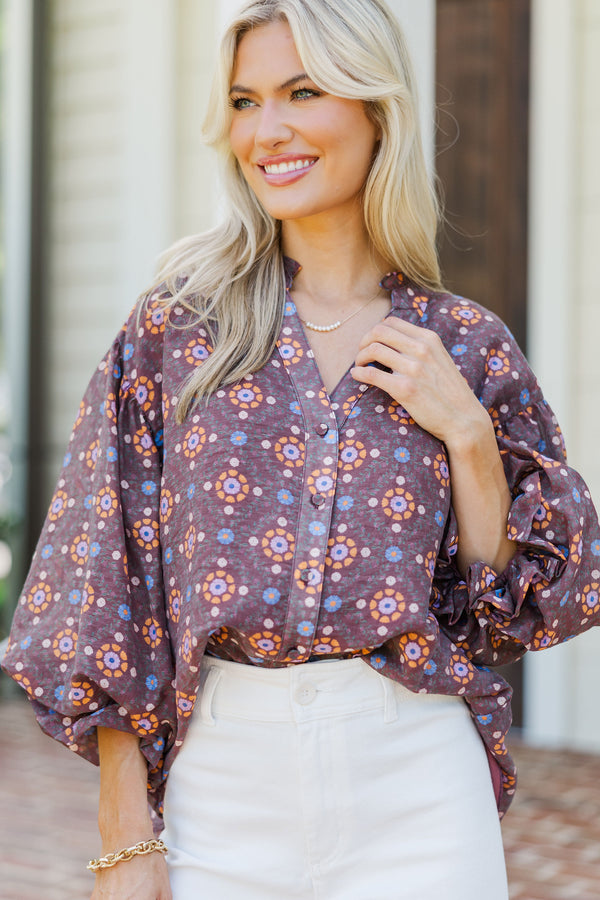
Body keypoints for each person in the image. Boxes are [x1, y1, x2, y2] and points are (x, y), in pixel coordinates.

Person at [3, 0, 600, 897]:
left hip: (418, 779)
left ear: (374, 108)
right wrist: (127, 839)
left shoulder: (464, 345)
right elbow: (104, 579)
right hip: (220, 784)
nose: (267, 130)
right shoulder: (177, 331)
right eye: (245, 101)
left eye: (302, 91)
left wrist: (470, 436)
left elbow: (510, 613)